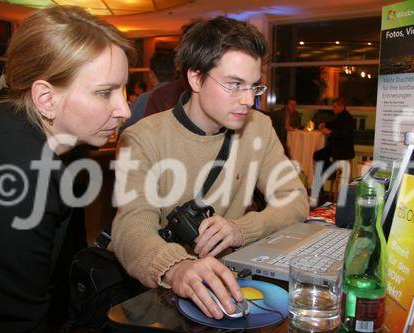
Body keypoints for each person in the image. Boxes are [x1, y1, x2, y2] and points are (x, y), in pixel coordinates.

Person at [112, 16, 309, 320]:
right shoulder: (143, 138)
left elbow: (294, 199)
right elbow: (131, 228)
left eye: (253, 86)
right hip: (167, 294)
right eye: (234, 85)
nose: (248, 100)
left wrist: (241, 229)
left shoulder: (259, 128)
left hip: (237, 283)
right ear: (195, 79)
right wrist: (176, 267)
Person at [0, 6, 134, 332]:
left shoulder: (61, 148)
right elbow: (16, 319)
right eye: (105, 93)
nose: (124, 110)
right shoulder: (22, 170)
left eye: (122, 90)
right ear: (46, 98)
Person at [120, 49, 176, 132]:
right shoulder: (186, 97)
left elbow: (126, 132)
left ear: (152, 75)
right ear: (174, 73)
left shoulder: (144, 100)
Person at [319, 97, 355, 163]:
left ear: (342, 106)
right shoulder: (341, 116)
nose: (332, 108)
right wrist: (325, 124)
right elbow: (334, 123)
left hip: (344, 152)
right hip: (340, 151)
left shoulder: (347, 118)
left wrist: (329, 132)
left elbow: (344, 134)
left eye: (334, 107)